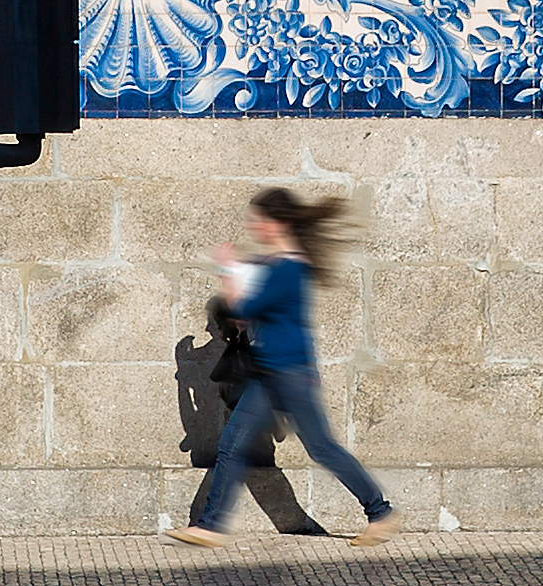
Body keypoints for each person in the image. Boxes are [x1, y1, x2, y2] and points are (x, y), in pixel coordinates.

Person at [169, 189, 400, 548]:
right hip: (267, 374)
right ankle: (211, 525)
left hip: (290, 374)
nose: (254, 227)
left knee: (322, 448)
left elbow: (243, 308)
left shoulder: (289, 268)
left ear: (278, 223)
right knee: (232, 443)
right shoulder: (276, 265)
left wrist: (227, 270)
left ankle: (380, 513)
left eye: (259, 220)